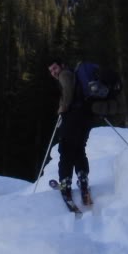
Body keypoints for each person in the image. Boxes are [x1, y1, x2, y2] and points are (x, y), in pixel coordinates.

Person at [48, 59, 93, 207]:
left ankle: (66, 181)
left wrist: (63, 107)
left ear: (61, 65)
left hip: (72, 117)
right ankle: (82, 177)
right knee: (79, 148)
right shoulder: (73, 75)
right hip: (85, 117)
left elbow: (68, 91)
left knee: (66, 149)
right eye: (51, 71)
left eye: (54, 68)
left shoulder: (65, 74)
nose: (53, 72)